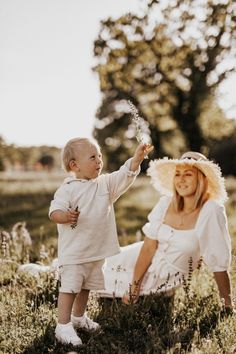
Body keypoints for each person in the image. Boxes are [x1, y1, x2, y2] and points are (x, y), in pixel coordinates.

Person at [98, 151, 234, 313]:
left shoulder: (212, 210)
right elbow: (149, 247)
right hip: (140, 258)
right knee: (91, 264)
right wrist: (134, 285)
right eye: (177, 174)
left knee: (97, 283)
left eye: (188, 174)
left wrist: (227, 305)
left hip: (164, 279)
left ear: (201, 179)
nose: (181, 179)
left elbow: (218, 261)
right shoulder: (166, 202)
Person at [49, 137, 153, 346]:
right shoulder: (68, 189)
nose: (99, 161)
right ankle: (63, 325)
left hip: (96, 252)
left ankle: (78, 318)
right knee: (70, 288)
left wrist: (136, 159)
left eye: (100, 156)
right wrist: (65, 216)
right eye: (93, 157)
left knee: (86, 287)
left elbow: (123, 176)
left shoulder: (104, 185)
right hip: (75, 253)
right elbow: (54, 211)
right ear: (74, 165)